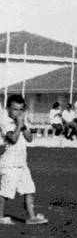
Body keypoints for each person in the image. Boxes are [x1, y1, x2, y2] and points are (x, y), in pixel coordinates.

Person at [0, 95, 47, 225]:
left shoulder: (20, 123)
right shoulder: (5, 123)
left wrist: (23, 125)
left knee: (29, 189)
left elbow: (29, 138)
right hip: (9, 164)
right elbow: (13, 139)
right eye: (15, 109)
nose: (18, 112)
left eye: (21, 109)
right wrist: (18, 126)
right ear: (8, 108)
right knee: (6, 192)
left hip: (22, 164)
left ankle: (31, 217)